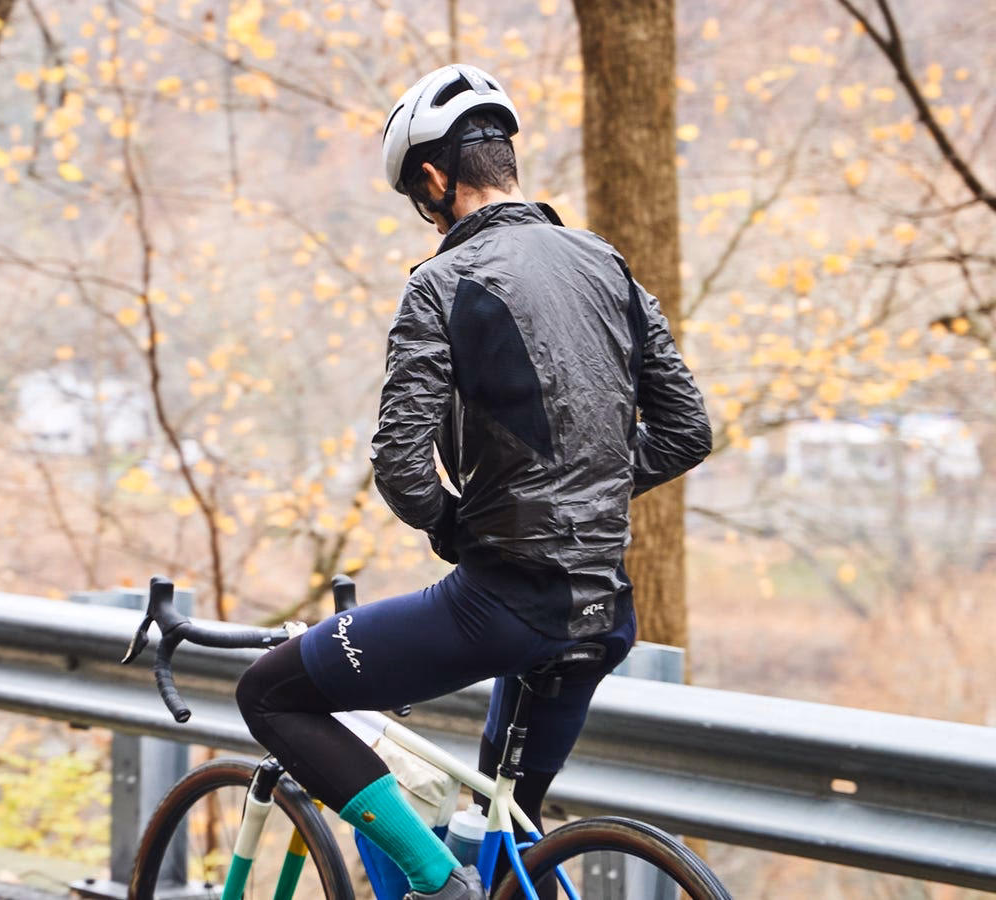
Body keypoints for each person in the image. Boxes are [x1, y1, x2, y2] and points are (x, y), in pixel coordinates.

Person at [237, 63, 711, 900]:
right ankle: (479, 882)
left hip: (502, 606)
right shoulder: (607, 264)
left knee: (269, 694)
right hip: (602, 611)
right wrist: (584, 491)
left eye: (418, 200)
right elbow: (686, 431)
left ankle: (433, 883)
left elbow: (401, 465)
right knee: (504, 840)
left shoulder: (442, 283)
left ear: (434, 178)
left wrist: (464, 523)